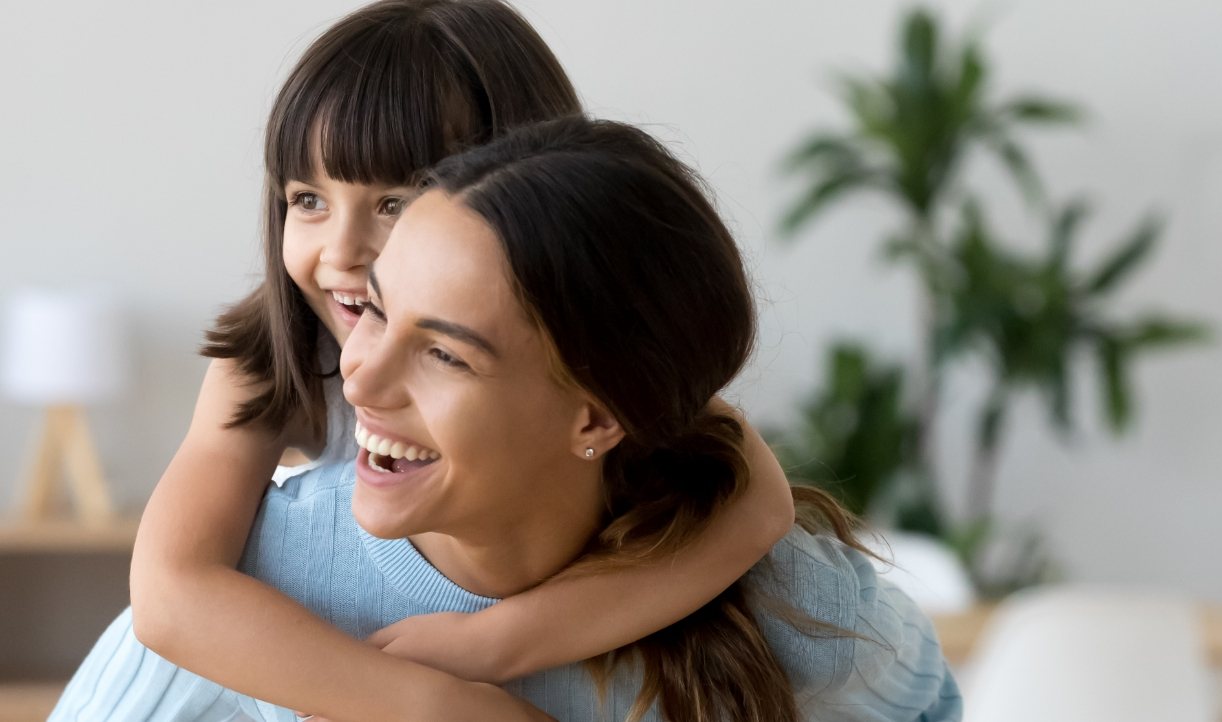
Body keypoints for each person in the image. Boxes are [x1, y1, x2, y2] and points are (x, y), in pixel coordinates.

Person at [52, 115, 962, 722]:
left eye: (445, 354)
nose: (358, 381)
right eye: (372, 309)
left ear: (597, 418)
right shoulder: (259, 591)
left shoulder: (800, 609)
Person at [122, 1, 795, 719]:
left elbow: (757, 503)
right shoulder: (268, 361)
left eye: (395, 204)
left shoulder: (584, 371)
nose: (341, 252)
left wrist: (501, 642)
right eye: (308, 198)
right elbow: (169, 595)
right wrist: (437, 703)